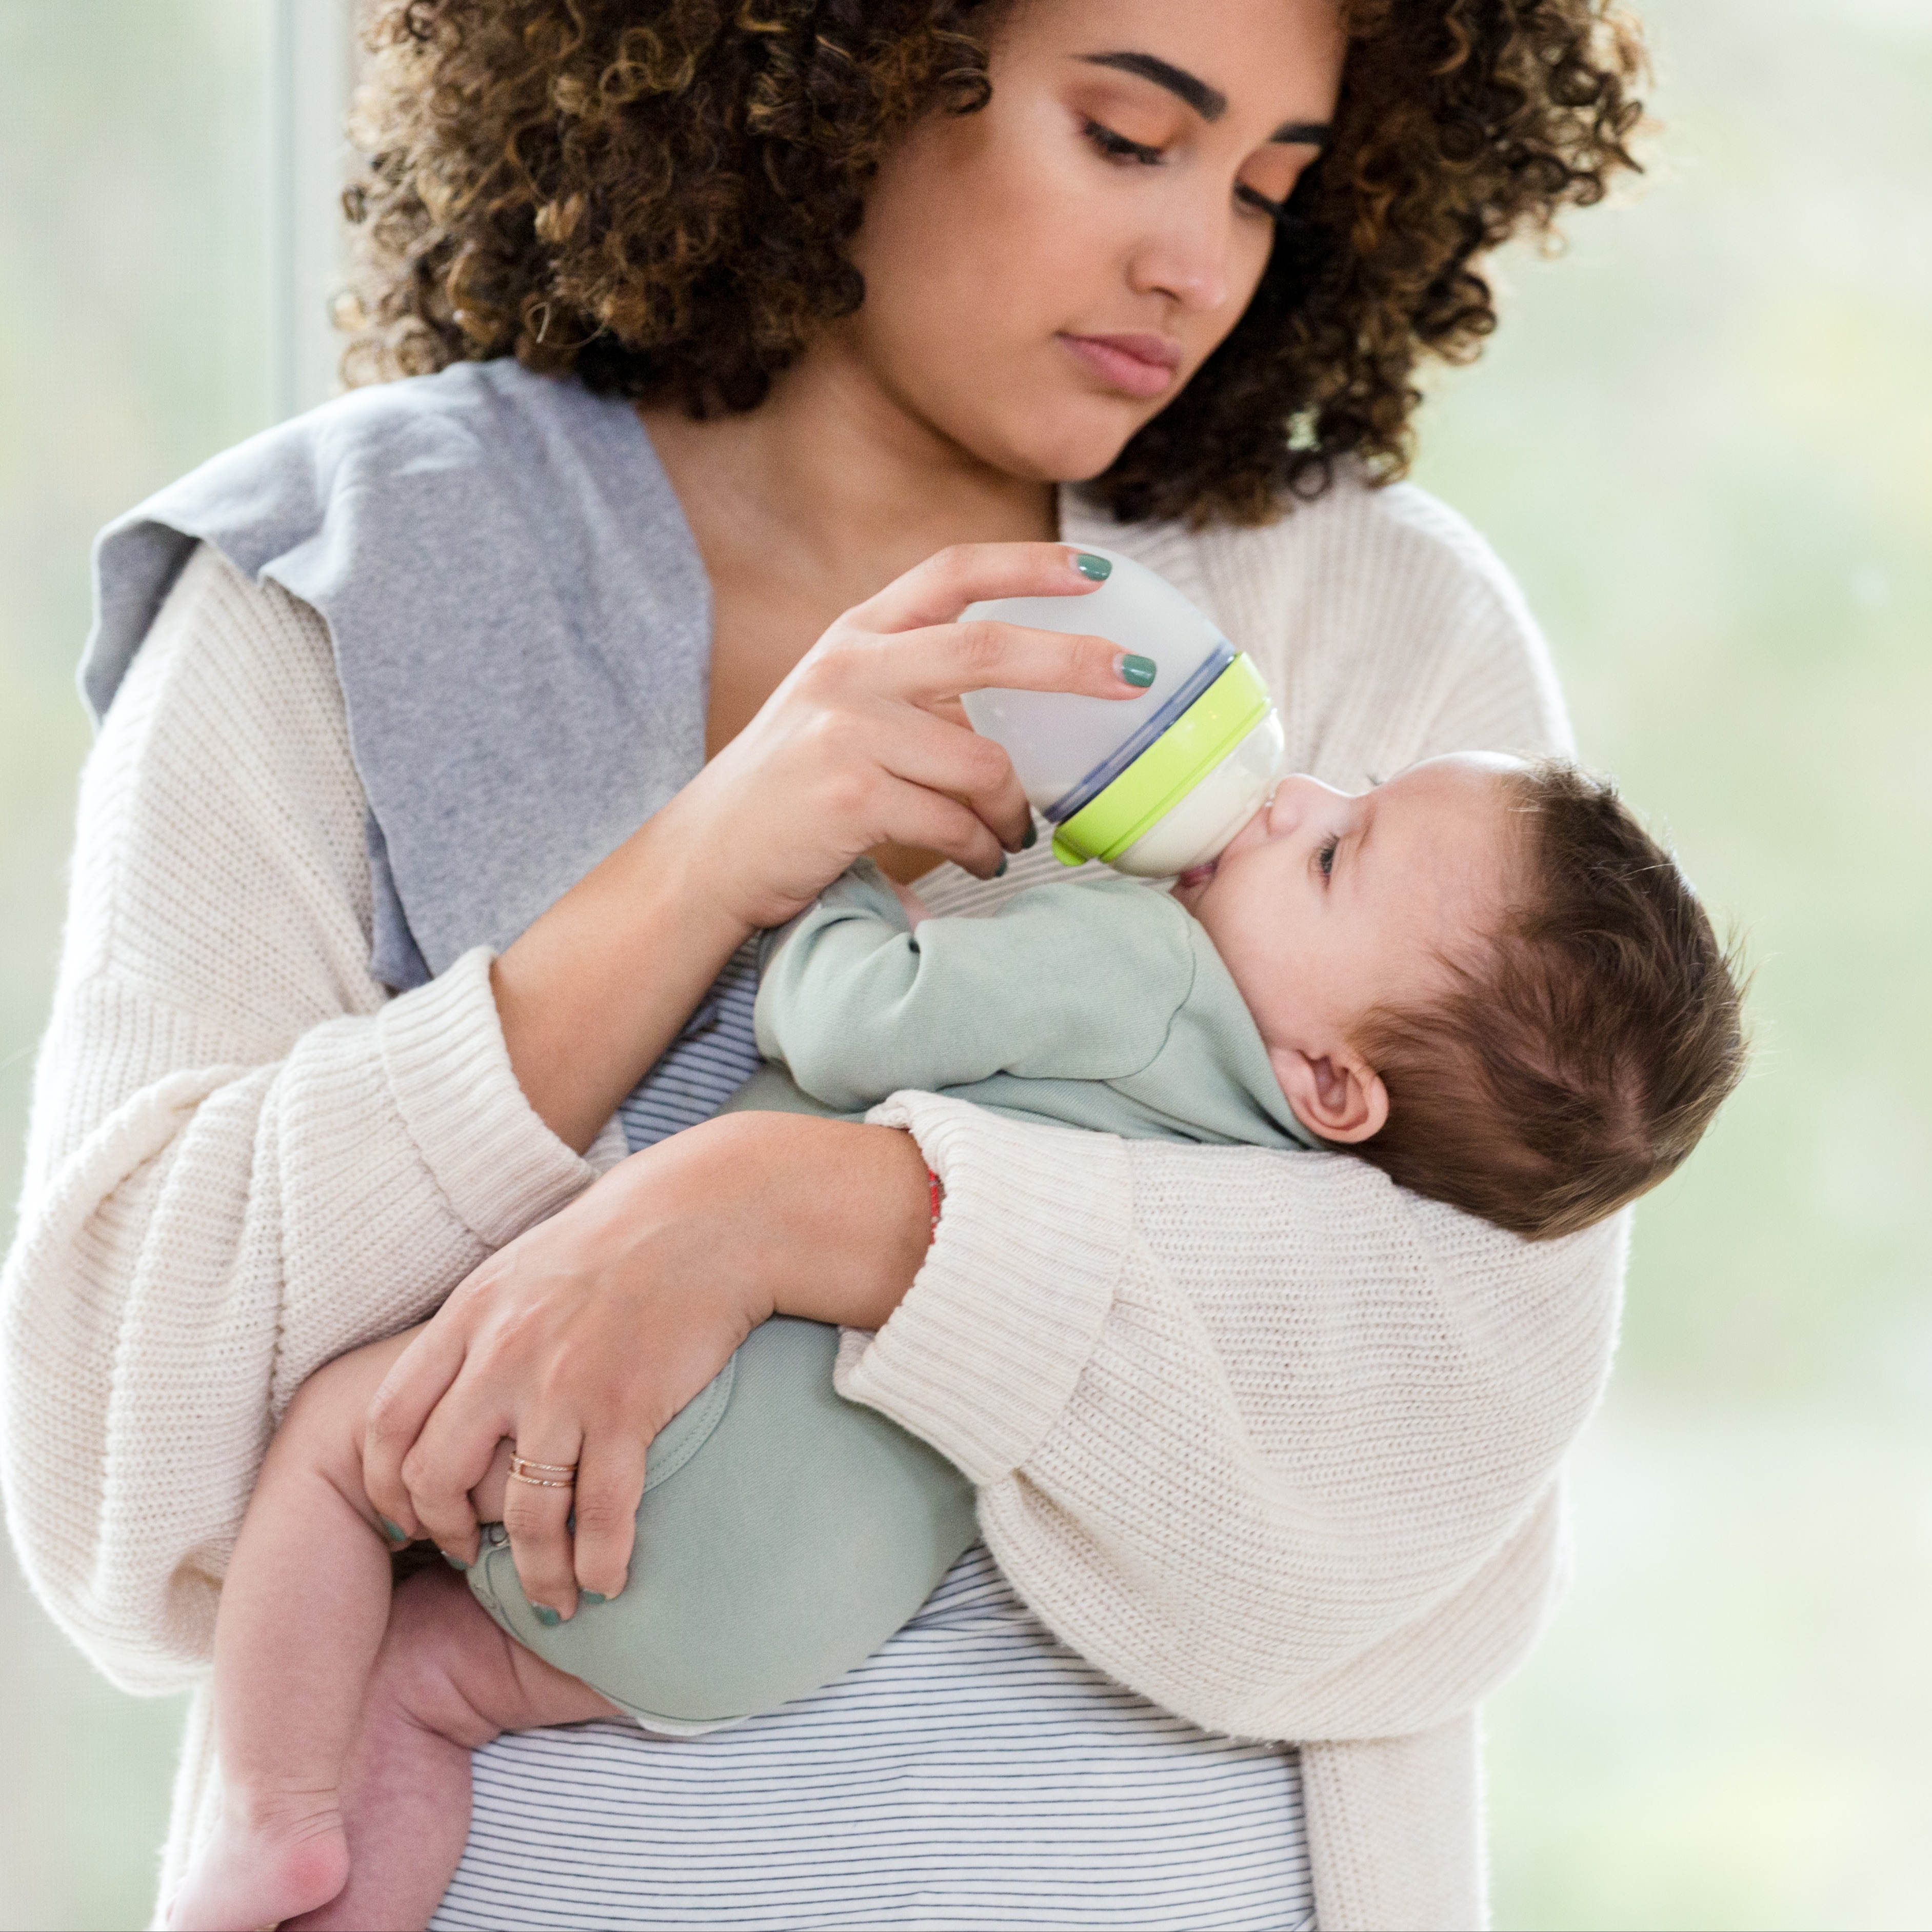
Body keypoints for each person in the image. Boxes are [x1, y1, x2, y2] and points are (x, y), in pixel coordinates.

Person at [1, 2, 1652, 1927]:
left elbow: (1451, 1437)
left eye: (1272, 188)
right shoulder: (334, 588)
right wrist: (685, 878)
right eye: (1127, 137)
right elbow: (117, 1470)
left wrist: (819, 1209)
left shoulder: (1359, 629)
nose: (1195, 263)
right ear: (834, 64)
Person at [165, 749, 1745, 1932]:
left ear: (1340, 1086)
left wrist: (855, 869)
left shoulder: (1140, 967)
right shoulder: (1282, 1176)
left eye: (1334, 853)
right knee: (440, 1682)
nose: (1288, 798)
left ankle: (275, 1810)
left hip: (647, 1478)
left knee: (329, 1451)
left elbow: (843, 1021)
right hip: (777, 1627)